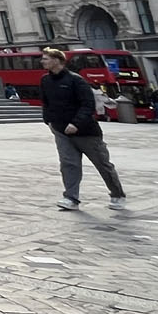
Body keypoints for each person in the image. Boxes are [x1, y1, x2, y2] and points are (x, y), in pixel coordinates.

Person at [38, 46, 126, 210]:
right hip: (61, 130)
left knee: (102, 164)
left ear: (57, 60)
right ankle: (71, 198)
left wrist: (76, 123)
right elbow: (46, 103)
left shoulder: (76, 80)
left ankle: (117, 195)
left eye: (46, 58)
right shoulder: (45, 80)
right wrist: (49, 121)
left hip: (85, 132)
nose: (42, 61)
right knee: (68, 164)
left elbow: (88, 105)